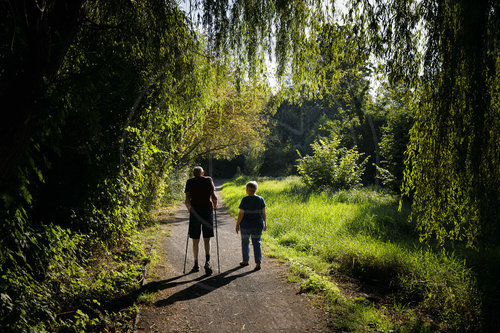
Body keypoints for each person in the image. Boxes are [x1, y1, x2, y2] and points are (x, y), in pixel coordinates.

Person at [185, 166, 217, 275]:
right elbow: (214, 197)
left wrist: (189, 210)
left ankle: (196, 264)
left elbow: (187, 200)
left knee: (195, 239)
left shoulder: (189, 182)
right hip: (207, 212)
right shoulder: (208, 180)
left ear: (193, 173)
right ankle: (207, 262)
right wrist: (215, 206)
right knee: (207, 239)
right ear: (202, 173)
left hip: (195, 213)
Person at [235, 181, 266, 271]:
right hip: (257, 225)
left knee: (245, 242)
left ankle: (245, 260)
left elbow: (241, 214)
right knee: (257, 243)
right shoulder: (261, 199)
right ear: (255, 189)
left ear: (248, 190)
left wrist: (237, 224)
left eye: (246, 189)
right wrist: (265, 223)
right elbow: (264, 213)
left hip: (246, 225)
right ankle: (258, 263)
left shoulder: (245, 200)